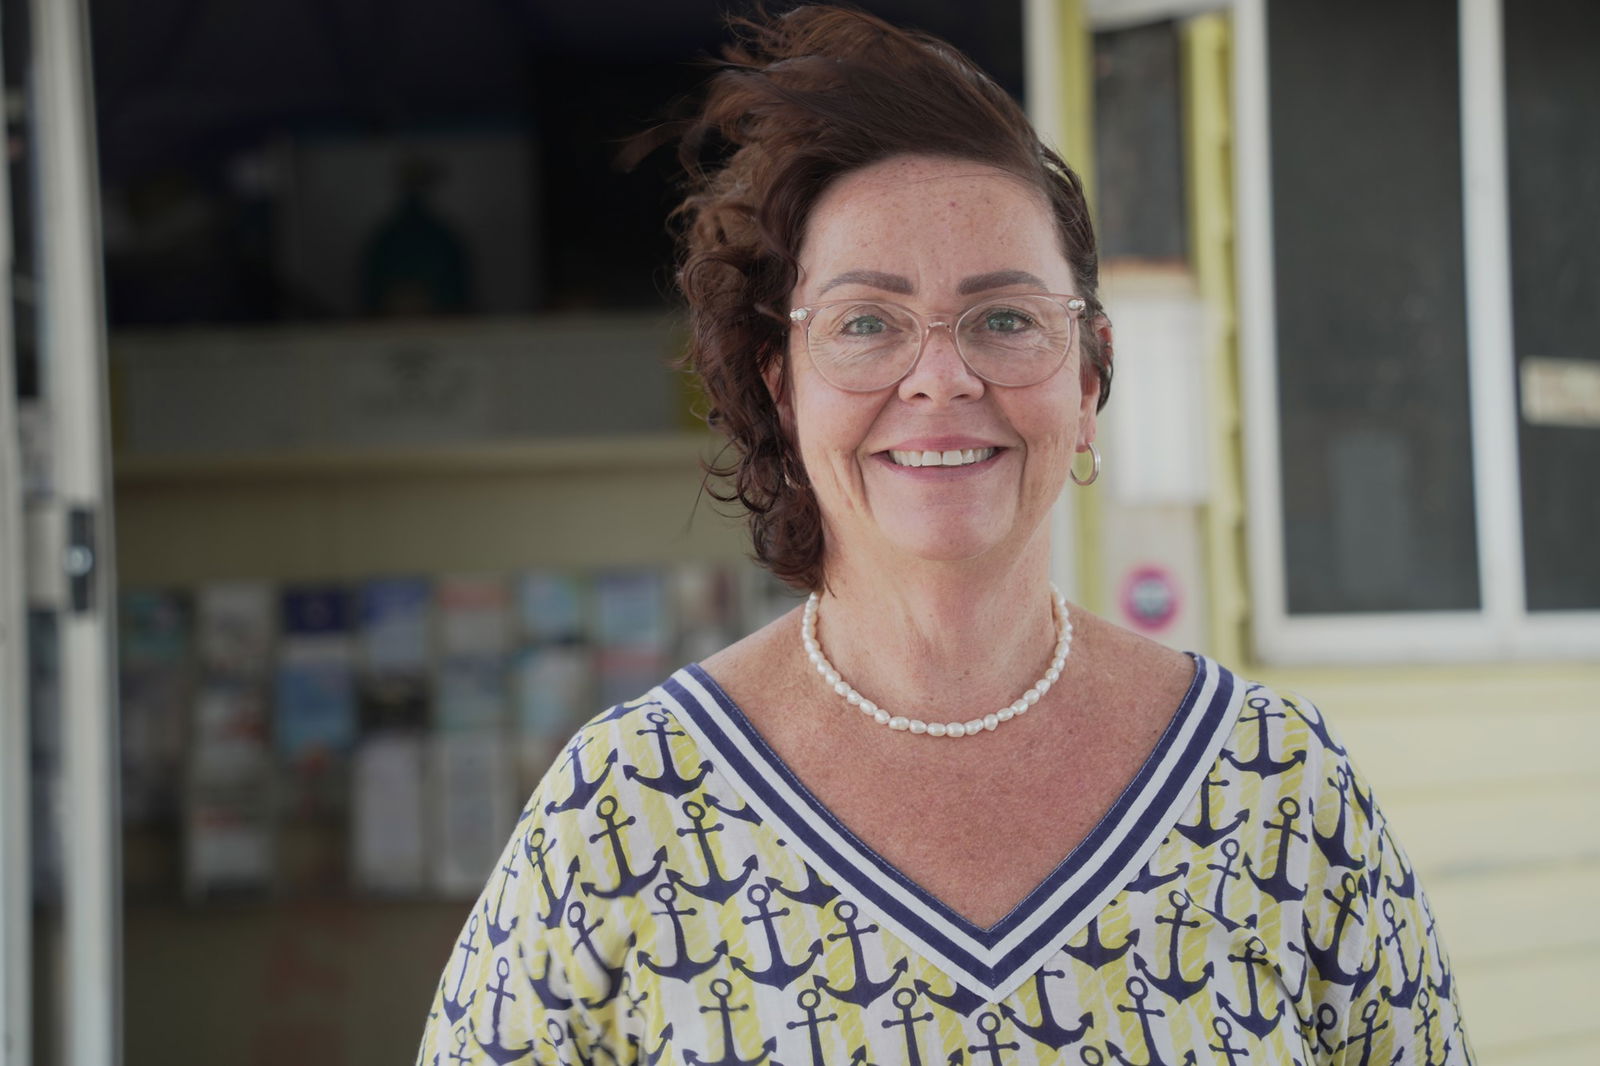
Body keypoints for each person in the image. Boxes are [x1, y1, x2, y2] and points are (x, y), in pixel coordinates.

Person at [418, 8, 1473, 1064]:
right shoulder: (626, 807)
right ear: (781, 388)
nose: (940, 377)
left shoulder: (1276, 790)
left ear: (1090, 375)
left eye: (1004, 317)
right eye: (866, 322)